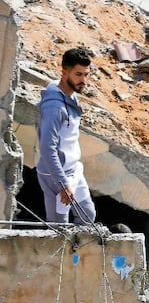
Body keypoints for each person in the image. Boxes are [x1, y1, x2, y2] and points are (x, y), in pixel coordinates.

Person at [37, 47, 97, 225]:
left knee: (87, 216)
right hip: (56, 176)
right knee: (58, 230)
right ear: (64, 72)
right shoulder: (55, 108)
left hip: (73, 170)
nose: (83, 80)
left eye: (86, 74)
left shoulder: (70, 94)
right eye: (78, 74)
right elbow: (47, 149)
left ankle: (76, 252)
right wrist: (63, 185)